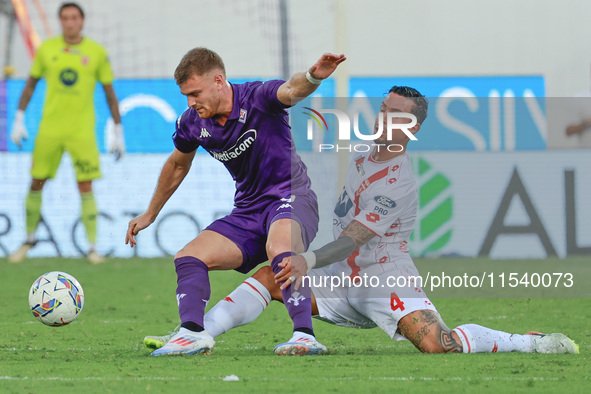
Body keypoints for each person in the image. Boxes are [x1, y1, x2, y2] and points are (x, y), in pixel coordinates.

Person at [144, 86, 579, 355]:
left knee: (436, 344)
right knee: (271, 275)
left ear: (412, 130)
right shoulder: (359, 154)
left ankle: (528, 342)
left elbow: (352, 239)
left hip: (384, 279)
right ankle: (194, 335)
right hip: (340, 280)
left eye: (397, 115)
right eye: (384, 109)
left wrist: (308, 260)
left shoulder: (400, 181)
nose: (385, 118)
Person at [126, 47, 346, 356]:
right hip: (249, 210)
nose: (191, 102)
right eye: (186, 96)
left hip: (291, 197)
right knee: (188, 256)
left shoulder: (258, 97)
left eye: (195, 93)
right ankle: (192, 333)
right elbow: (177, 164)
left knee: (278, 248)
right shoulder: (192, 122)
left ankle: (304, 335)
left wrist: (313, 76)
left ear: (218, 80)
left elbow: (293, 89)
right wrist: (150, 213)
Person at [8, 2, 125, 265]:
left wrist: (118, 130)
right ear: (60, 21)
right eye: (65, 18)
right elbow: (30, 85)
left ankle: (93, 248)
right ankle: (27, 240)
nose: (70, 22)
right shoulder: (47, 49)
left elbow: (109, 92)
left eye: (74, 18)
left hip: (82, 132)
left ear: (82, 21)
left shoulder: (96, 52)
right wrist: (18, 118)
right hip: (49, 129)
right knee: (36, 181)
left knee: (85, 185)